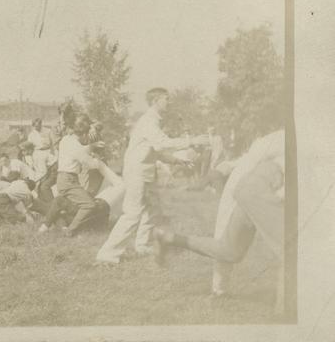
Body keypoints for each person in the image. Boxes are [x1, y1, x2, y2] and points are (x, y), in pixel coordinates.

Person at [153, 150, 285, 313]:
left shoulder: (271, 146)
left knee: (230, 250)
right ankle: (285, 317)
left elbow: (226, 168)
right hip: (268, 185)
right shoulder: (286, 144)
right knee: (292, 252)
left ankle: (169, 238)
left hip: (252, 185)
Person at [95, 87, 209, 264]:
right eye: (166, 99)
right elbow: (162, 144)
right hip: (137, 172)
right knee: (132, 214)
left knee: (152, 210)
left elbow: (156, 151)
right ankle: (107, 254)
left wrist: (177, 161)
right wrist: (192, 141)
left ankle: (141, 245)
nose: (169, 102)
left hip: (145, 171)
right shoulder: (148, 121)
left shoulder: (153, 120)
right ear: (156, 101)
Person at [44, 113, 109, 237]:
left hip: (63, 178)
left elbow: (79, 151)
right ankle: (70, 231)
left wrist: (91, 146)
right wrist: (98, 158)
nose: (87, 140)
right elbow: (91, 164)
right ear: (84, 134)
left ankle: (52, 225)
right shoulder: (77, 146)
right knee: (88, 204)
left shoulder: (66, 139)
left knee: (64, 203)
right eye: (87, 136)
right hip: (69, 180)